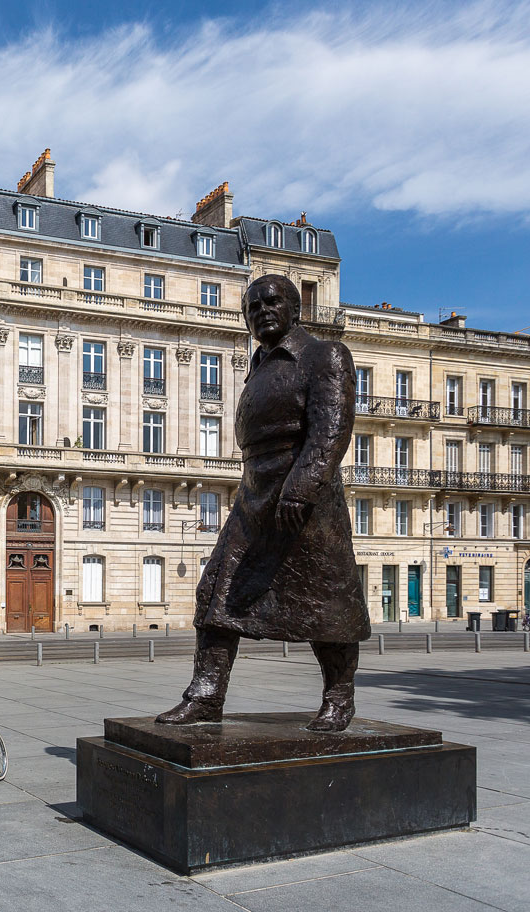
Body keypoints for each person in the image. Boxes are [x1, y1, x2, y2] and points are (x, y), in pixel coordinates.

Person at [156, 273, 371, 732]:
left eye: (271, 303)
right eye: (252, 307)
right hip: (255, 492)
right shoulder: (258, 363)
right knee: (216, 590)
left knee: (325, 603)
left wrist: (302, 486)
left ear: (296, 309)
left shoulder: (324, 355)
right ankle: (206, 696)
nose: (261, 312)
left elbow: (331, 430)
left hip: (303, 499)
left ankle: (339, 696)